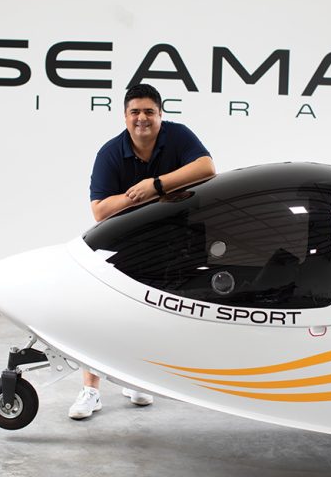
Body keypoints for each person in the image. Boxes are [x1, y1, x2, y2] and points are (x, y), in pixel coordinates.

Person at [68, 83, 215, 419]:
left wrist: (156, 184)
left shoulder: (178, 137)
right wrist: (148, 194)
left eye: (149, 111)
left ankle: (137, 380)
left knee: (152, 317)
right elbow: (101, 211)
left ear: (161, 115)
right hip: (124, 245)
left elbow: (207, 168)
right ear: (124, 116)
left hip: (176, 245)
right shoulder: (109, 153)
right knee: (102, 316)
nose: (142, 118)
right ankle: (91, 390)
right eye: (135, 112)